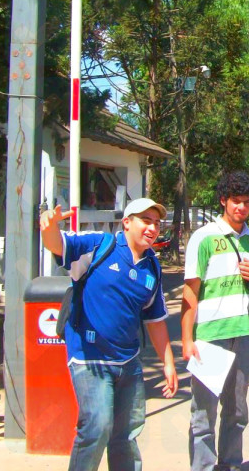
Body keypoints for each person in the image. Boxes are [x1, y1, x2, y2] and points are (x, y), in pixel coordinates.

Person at [38, 199, 178, 471]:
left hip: (128, 361)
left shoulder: (152, 267)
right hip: (89, 358)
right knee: (97, 426)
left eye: (157, 223)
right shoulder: (100, 245)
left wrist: (169, 364)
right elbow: (57, 245)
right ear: (127, 222)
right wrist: (49, 226)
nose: (152, 228)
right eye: (146, 220)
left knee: (126, 435)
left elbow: (155, 319)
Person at [181, 171, 249, 471]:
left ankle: (230, 465)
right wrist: (187, 340)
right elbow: (190, 291)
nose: (241, 208)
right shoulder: (203, 237)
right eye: (235, 201)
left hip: (244, 334)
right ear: (223, 201)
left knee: (236, 411)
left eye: (246, 202)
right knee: (203, 413)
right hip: (210, 335)